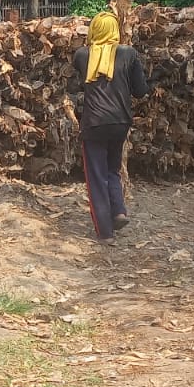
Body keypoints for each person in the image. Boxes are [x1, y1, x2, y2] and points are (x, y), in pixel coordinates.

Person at [69, 12, 149, 244]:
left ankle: (105, 233)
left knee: (96, 177)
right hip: (120, 122)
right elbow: (140, 90)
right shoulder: (128, 54)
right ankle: (119, 212)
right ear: (115, 30)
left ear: (94, 30)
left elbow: (76, 84)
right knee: (112, 170)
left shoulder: (83, 55)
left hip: (94, 123)